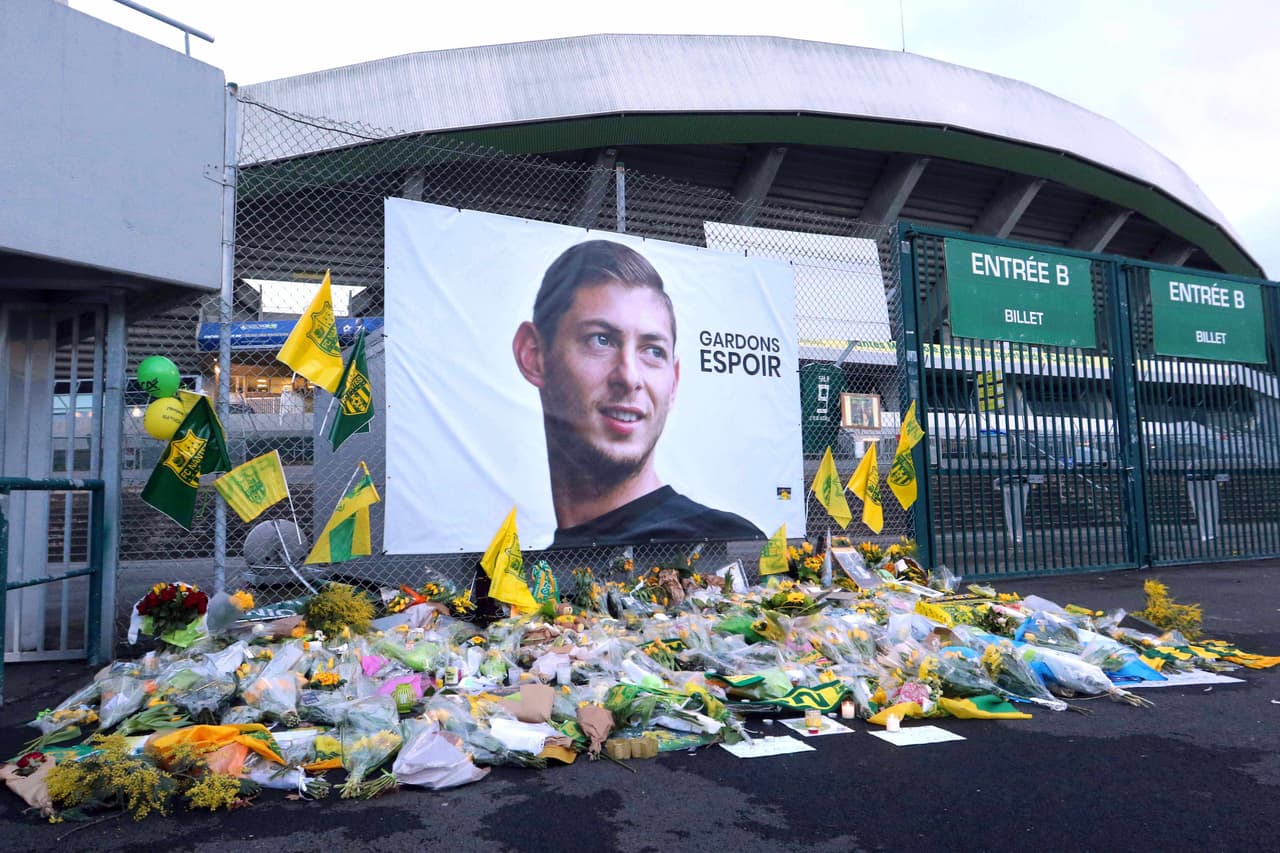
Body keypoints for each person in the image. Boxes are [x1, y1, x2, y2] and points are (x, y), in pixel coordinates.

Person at [512, 239, 763, 548]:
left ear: (674, 382)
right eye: (600, 340)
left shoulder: (721, 542)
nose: (629, 377)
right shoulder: (526, 567)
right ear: (533, 354)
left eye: (653, 351)